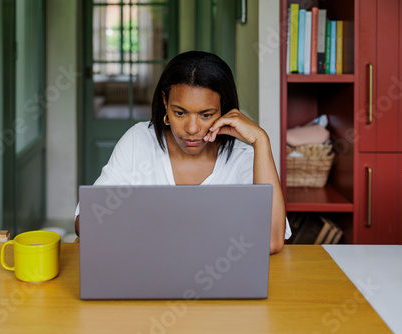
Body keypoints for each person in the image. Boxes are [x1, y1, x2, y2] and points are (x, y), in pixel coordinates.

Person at [75, 51, 291, 254]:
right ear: (165, 102)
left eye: (206, 115)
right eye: (180, 113)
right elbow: (85, 223)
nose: (192, 128)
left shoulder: (243, 159)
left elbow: (272, 241)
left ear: (224, 109)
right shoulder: (138, 141)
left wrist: (261, 141)